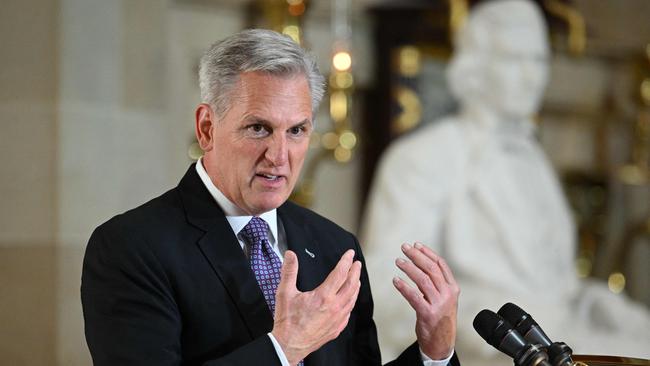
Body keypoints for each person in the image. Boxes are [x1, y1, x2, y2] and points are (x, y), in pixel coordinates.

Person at [81, 29, 461, 366]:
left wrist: (434, 352)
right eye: (259, 128)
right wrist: (283, 349)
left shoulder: (334, 246)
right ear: (207, 128)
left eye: (296, 130)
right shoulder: (130, 247)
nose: (279, 156)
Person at [361, 0, 650, 364]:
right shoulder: (422, 157)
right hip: (491, 342)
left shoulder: (534, 161)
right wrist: (462, 322)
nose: (533, 76)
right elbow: (387, 285)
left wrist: (596, 301)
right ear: (476, 65)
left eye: (539, 60)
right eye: (515, 59)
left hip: (558, 331)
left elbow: (556, 286)